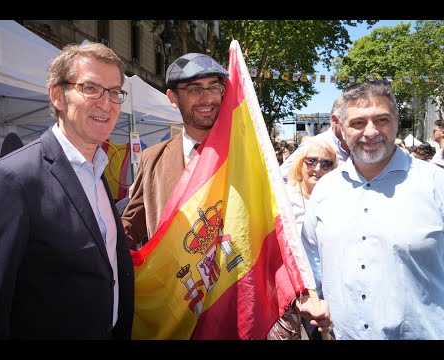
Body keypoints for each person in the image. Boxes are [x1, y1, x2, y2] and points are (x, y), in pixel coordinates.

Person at [122, 52, 333, 337]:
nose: (207, 98)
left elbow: (275, 231)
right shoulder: (152, 158)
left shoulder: (250, 156)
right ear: (172, 97)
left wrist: (300, 292)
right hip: (175, 307)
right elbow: (129, 228)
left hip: (237, 304)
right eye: (195, 89)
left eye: (214, 87)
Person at [0, 42, 135, 339]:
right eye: (91, 88)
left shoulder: (97, 171)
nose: (106, 104)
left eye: (114, 92)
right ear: (58, 96)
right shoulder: (8, 180)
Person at [301, 80, 444, 340]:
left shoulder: (436, 185)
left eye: (381, 120)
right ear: (339, 126)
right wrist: (308, 301)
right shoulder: (324, 191)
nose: (370, 132)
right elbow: (311, 264)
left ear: (397, 122)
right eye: (357, 123)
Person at [268, 138, 338, 340]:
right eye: (311, 161)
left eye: (326, 163)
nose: (318, 167)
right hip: (292, 294)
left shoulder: (338, 199)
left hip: (326, 294)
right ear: (300, 164)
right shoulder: (283, 198)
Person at [280, 95, 350, 183]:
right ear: (335, 120)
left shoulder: (364, 148)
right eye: (357, 122)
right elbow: (280, 180)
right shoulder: (313, 145)